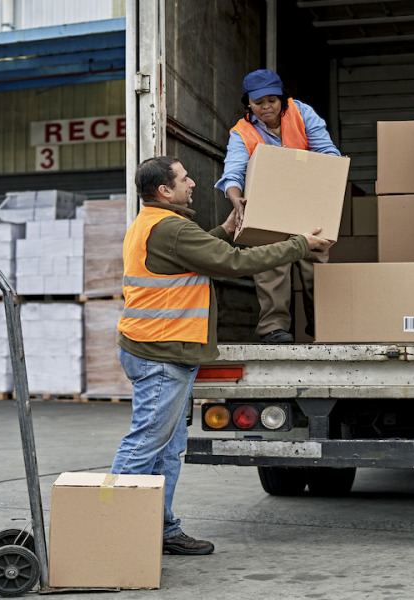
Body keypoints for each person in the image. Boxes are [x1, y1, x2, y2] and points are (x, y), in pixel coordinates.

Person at [112, 156, 332, 555]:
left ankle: (159, 529)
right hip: (162, 353)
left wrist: (226, 231)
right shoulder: (172, 228)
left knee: (167, 447)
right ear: (164, 190)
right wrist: (299, 244)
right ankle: (109, 536)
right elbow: (233, 264)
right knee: (146, 443)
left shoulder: (151, 223)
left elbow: (195, 255)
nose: (192, 183)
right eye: (184, 178)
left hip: (158, 349)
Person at [214, 68, 342, 344]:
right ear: (248, 102)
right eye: (258, 102)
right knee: (270, 264)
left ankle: (322, 326)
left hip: (309, 199)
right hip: (267, 204)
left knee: (315, 264)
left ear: (282, 98)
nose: (266, 107)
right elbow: (233, 173)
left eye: (272, 100)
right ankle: (274, 329)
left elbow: (328, 154)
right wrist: (237, 200)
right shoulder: (242, 132)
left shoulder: (302, 113)